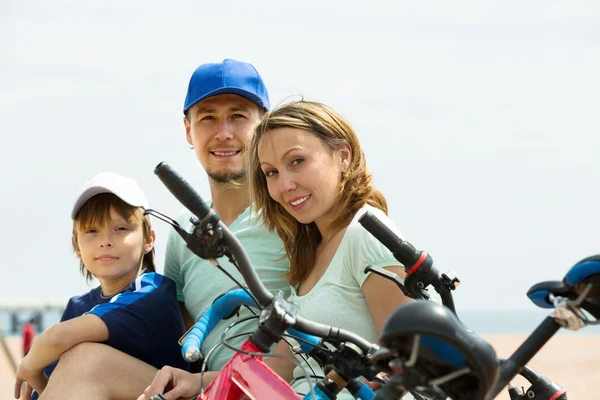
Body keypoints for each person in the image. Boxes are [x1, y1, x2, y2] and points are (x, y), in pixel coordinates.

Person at [38, 59, 290, 400]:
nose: (224, 132)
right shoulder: (186, 231)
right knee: (82, 360)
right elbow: (179, 336)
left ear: (264, 124)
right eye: (208, 118)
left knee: (87, 362)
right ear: (188, 130)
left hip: (269, 389)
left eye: (239, 115)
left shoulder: (291, 216)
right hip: (204, 390)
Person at [248, 100, 414, 397]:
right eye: (271, 172)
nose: (284, 185)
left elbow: (407, 367)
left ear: (343, 156)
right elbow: (278, 368)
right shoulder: (311, 252)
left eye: (297, 161)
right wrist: (189, 381)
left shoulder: (365, 234)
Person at [14, 172, 188, 400]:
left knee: (85, 358)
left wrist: (28, 368)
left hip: (170, 394)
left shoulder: (153, 294)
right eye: (92, 231)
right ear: (76, 245)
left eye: (121, 229)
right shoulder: (78, 307)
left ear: (149, 240)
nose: (105, 241)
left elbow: (55, 339)